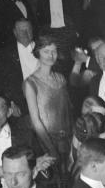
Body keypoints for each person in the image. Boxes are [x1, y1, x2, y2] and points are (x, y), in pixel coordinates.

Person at [24, 33, 73, 168]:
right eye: (46, 51)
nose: (51, 55)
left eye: (54, 51)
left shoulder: (61, 78)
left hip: (68, 139)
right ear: (37, 53)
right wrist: (51, 149)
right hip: (46, 142)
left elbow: (68, 112)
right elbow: (36, 120)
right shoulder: (30, 83)